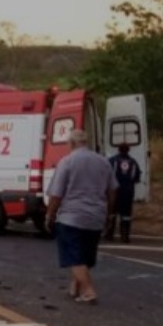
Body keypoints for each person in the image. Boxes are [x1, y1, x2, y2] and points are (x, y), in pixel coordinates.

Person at [44, 130, 118, 305]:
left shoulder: (67, 162)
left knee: (73, 257)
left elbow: (56, 194)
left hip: (72, 217)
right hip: (95, 217)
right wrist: (109, 214)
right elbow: (113, 191)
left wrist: (50, 215)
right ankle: (75, 287)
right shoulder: (103, 162)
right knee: (85, 256)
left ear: (71, 144)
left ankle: (89, 290)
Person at [107, 143, 142, 243]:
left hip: (114, 190)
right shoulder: (133, 162)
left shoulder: (112, 161)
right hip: (128, 191)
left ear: (118, 149)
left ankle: (110, 234)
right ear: (128, 150)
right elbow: (137, 178)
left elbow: (107, 174)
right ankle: (125, 236)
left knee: (112, 212)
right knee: (126, 214)